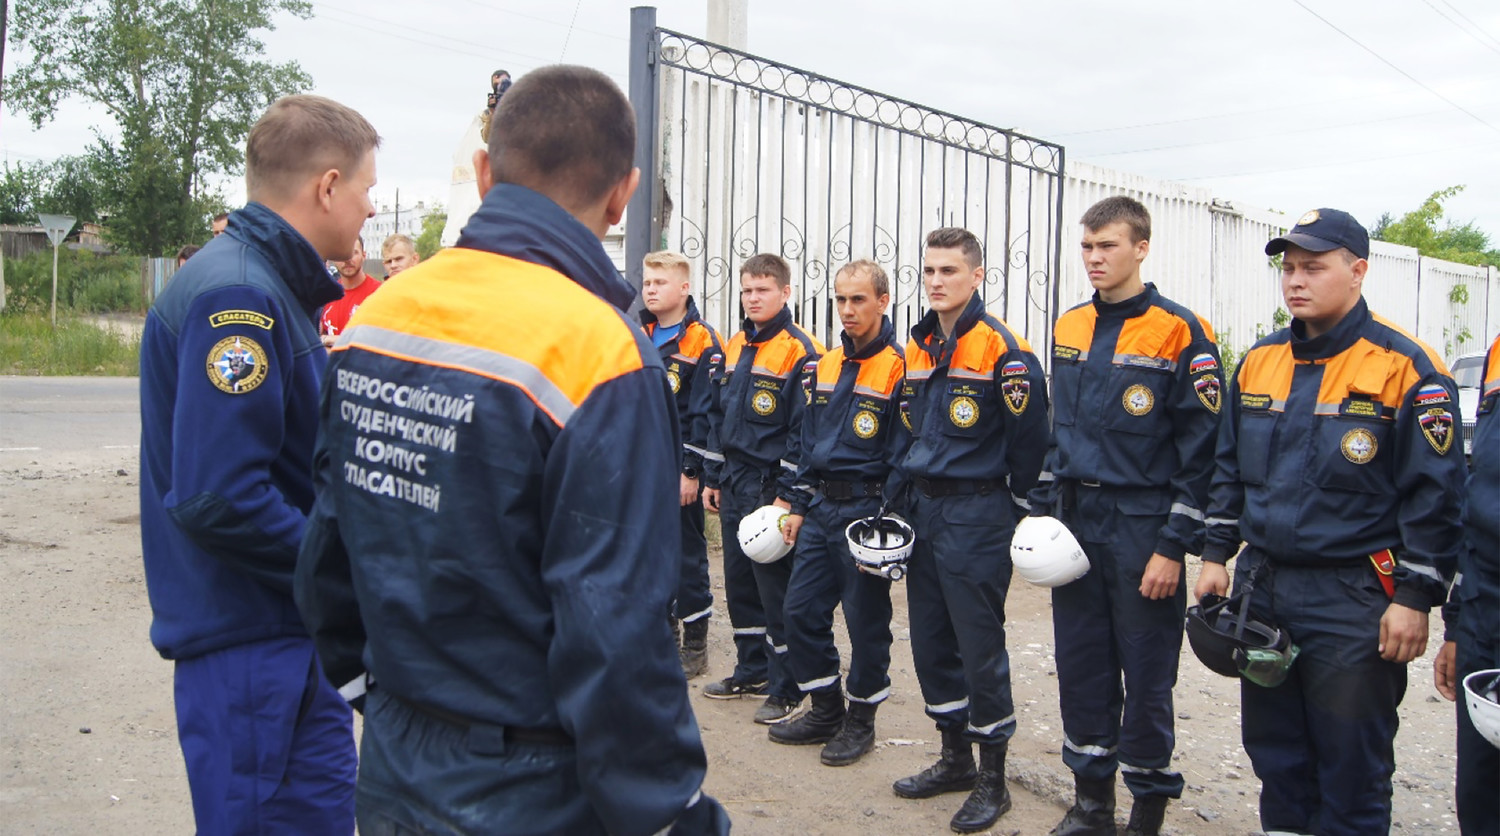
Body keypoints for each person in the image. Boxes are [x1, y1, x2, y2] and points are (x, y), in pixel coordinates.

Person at [294, 65, 729, 836]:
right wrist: (670, 813)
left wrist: (368, 688)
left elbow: (331, 531)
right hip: (532, 785)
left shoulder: (384, 312)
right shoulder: (600, 351)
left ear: (487, 171)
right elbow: (615, 626)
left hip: (395, 755)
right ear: (623, 192)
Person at [138, 93, 378, 833]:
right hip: (254, 649)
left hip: (280, 640)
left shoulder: (267, 282)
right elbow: (219, 496)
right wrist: (340, 570)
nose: (370, 210)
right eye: (367, 190)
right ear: (328, 186)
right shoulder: (238, 295)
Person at [1195, 208, 1466, 836]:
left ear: (1358, 271)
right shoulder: (1261, 361)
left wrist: (1416, 598)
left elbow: (1437, 498)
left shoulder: (1408, 369)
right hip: (1263, 590)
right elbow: (1229, 469)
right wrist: (1214, 555)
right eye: (1288, 268)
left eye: (1313, 267)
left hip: (1355, 597)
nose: (1295, 280)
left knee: (1351, 766)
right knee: (1278, 756)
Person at [1028, 197, 1222, 836]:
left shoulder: (1181, 331)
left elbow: (1204, 451)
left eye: (1106, 246)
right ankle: (1091, 807)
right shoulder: (1070, 325)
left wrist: (1175, 544)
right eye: (1086, 247)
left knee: (1145, 673)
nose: (1094, 259)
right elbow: (1060, 430)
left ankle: (1146, 808)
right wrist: (1043, 512)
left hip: (1143, 525)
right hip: (1077, 522)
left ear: (1141, 247)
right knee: (1081, 663)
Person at [891, 227, 1049, 834]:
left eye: (949, 271)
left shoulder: (1003, 350)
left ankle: (993, 778)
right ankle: (954, 757)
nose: (936, 281)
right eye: (929, 270)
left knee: (979, 645)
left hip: (977, 515)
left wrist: (1013, 508)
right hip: (926, 511)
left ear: (976, 276)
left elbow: (1031, 440)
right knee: (930, 639)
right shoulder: (922, 344)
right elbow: (912, 427)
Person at [770, 259, 904, 767]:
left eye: (858, 300)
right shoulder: (823, 364)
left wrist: (887, 516)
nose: (847, 310)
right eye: (840, 300)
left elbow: (903, 450)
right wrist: (799, 502)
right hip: (822, 505)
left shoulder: (899, 366)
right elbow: (807, 443)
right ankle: (825, 707)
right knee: (799, 610)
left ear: (882, 301)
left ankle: (861, 719)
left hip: (866, 509)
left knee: (866, 621)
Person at [702, 252, 824, 725]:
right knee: (740, 583)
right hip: (734, 481)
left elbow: (804, 432)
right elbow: (716, 415)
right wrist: (713, 477)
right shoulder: (734, 345)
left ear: (786, 292)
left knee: (777, 589)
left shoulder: (802, 351)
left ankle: (786, 684)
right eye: (747, 290)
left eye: (763, 290)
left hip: (771, 484)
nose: (753, 298)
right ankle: (751, 670)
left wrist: (790, 495)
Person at [640, 249, 725, 678]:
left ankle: (695, 641)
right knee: (649, 553)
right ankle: (663, 633)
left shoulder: (703, 341)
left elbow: (706, 414)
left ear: (684, 287)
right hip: (641, 464)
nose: (651, 290)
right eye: (647, 282)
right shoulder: (638, 331)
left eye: (660, 282)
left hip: (678, 468)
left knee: (686, 556)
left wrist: (691, 471)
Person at [1437, 330, 1499, 835]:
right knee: (1480, 788)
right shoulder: (1498, 352)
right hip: (1486, 610)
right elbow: (1476, 497)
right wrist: (1456, 624)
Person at [318, 237, 381, 347]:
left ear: (364, 256)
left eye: (354, 252)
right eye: (341, 255)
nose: (347, 259)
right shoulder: (327, 294)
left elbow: (380, 340)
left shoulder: (379, 293)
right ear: (333, 260)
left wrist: (331, 340)